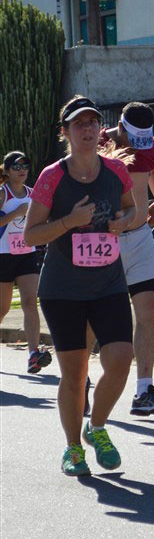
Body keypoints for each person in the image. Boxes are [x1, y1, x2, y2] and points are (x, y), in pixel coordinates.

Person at [24, 96, 135, 477]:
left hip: (109, 283)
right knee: (74, 374)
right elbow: (31, 234)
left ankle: (97, 427)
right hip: (63, 290)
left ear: (100, 129)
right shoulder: (52, 176)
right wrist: (69, 222)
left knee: (120, 359)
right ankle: (73, 448)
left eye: (92, 122)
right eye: (78, 124)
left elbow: (133, 208)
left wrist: (124, 221)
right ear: (66, 132)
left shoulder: (116, 170)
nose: (87, 129)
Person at [99, 102, 154, 417]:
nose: (139, 145)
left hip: (141, 237)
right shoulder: (99, 143)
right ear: (120, 126)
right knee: (97, 318)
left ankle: (144, 390)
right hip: (105, 242)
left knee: (148, 313)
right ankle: (82, 382)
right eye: (134, 138)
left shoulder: (149, 144)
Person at [0, 150, 52, 373]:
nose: (22, 171)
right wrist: (16, 213)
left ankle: (33, 354)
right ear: (7, 170)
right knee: (2, 308)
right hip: (3, 254)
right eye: (17, 167)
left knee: (30, 302)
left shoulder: (33, 193)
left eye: (25, 166)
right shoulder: (3, 193)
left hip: (27, 253)